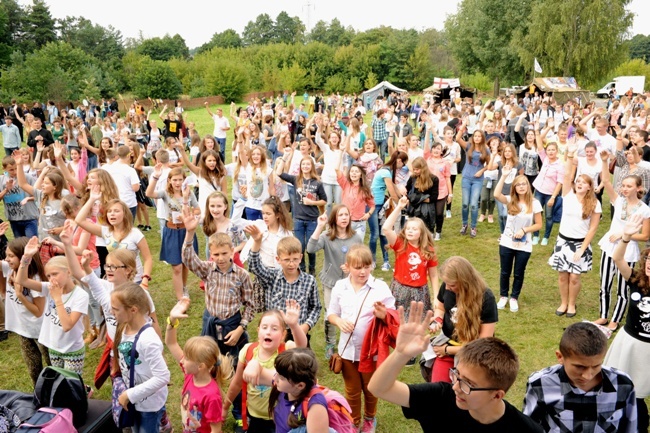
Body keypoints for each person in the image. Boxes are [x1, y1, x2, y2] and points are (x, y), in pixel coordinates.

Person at [368, 302, 543, 433]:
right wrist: (400, 354)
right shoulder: (441, 398)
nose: (456, 387)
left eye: (468, 384)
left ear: (497, 395)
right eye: (456, 375)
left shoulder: (526, 430)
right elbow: (378, 388)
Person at [328, 244, 395, 431]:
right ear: (347, 267)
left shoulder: (379, 287)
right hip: (347, 350)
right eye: (358, 267)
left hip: (371, 351)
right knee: (352, 390)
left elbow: (393, 315)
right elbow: (331, 313)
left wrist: (383, 314)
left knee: (371, 387)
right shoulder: (340, 287)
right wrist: (339, 322)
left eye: (367, 266)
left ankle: (369, 418)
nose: (363, 271)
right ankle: (354, 420)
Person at [523, 321, 637, 433]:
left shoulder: (623, 384)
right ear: (560, 357)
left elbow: (630, 427)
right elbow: (529, 426)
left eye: (597, 365)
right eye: (580, 367)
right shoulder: (540, 384)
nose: (588, 376)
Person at [223, 303, 308, 433]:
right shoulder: (248, 351)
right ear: (258, 332)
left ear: (283, 335)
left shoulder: (286, 350)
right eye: (264, 327)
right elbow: (237, 382)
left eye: (274, 329)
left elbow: (302, 347)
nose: (268, 331)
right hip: (254, 415)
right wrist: (225, 407)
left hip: (279, 417)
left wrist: (294, 326)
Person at [593, 151, 650, 332]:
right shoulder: (618, 201)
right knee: (604, 283)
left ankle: (615, 319)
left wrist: (623, 234)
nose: (625, 188)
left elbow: (645, 236)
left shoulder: (644, 209)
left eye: (629, 186)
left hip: (628, 251)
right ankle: (603, 315)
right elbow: (607, 181)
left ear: (638, 189)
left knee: (623, 288)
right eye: (624, 185)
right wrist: (604, 161)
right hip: (609, 246)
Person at [603, 214, 650, 431]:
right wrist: (626, 237)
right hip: (629, 344)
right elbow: (618, 259)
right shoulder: (636, 281)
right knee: (624, 391)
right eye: (648, 260)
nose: (649, 264)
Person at [16, 237, 89, 375]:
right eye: (48, 276)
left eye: (55, 274)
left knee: (71, 385)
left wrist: (57, 299)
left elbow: (67, 326)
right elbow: (22, 280)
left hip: (72, 349)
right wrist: (26, 257)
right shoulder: (49, 287)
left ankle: (84, 391)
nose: (51, 279)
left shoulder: (80, 295)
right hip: (54, 346)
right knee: (59, 382)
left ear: (68, 272)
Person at [165, 297, 233, 433]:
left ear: (201, 366)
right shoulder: (190, 374)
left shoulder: (212, 396)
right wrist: (172, 321)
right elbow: (171, 343)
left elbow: (216, 430)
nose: (182, 361)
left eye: (187, 358)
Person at [548, 148, 601, 317]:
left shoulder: (594, 203)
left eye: (583, 182)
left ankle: (572, 304)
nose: (579, 183)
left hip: (580, 244)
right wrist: (570, 156)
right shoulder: (567, 195)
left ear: (589, 187)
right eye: (578, 181)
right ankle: (563, 303)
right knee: (563, 276)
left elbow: (593, 228)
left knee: (574, 278)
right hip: (563, 242)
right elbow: (567, 176)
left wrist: (582, 249)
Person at [246, 225, 322, 343]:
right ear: (278, 259)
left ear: (301, 258)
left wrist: (306, 326)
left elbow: (316, 307)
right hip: (275, 333)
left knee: (299, 360)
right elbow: (254, 266)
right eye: (286, 260)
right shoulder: (271, 277)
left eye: (295, 259)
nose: (291, 264)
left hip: (298, 332)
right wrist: (257, 242)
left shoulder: (309, 281)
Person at [111, 282, 170, 433]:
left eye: (115, 309)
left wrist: (129, 394)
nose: (112, 312)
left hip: (149, 406)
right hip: (134, 400)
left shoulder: (149, 340)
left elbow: (163, 377)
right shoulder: (123, 327)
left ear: (133, 310)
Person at [307, 205, 363, 360]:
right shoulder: (326, 236)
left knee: (352, 312)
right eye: (340, 215)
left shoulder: (356, 237)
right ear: (334, 219)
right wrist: (319, 226)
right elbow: (310, 249)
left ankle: (352, 342)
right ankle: (330, 345)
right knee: (331, 314)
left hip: (351, 283)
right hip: (331, 282)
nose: (344, 218)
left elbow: (363, 258)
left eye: (346, 214)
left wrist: (352, 269)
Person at [0, 235, 50, 385]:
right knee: (33, 368)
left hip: (41, 331)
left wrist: (20, 295)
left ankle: (62, 394)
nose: (7, 259)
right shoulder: (10, 269)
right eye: (6, 255)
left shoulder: (34, 280)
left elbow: (38, 311)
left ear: (23, 257)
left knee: (52, 366)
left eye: (11, 256)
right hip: (23, 329)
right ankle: (40, 394)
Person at [146, 165, 199, 300]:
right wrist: (155, 176)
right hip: (171, 231)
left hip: (185, 231)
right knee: (176, 266)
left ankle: (184, 286)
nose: (177, 183)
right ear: (169, 180)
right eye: (174, 180)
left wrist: (189, 210)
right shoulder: (165, 193)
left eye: (180, 180)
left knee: (185, 263)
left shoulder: (188, 193)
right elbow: (149, 193)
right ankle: (180, 297)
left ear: (184, 180)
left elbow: (197, 209)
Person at [382, 195, 438, 321]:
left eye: (414, 229)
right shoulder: (400, 245)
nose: (410, 231)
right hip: (400, 289)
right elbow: (386, 228)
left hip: (420, 292)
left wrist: (436, 296)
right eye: (408, 228)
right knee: (397, 322)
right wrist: (399, 207)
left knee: (417, 324)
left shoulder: (428, 250)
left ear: (421, 233)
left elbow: (433, 275)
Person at [494, 168, 543, 312]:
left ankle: (514, 297)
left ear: (528, 186)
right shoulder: (510, 201)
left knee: (518, 273)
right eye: (518, 184)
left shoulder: (535, 203)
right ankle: (503, 296)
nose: (521, 187)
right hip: (507, 242)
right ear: (514, 187)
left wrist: (524, 230)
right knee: (505, 271)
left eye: (524, 184)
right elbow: (497, 194)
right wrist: (503, 176)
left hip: (524, 244)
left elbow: (539, 224)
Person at [268, 348, 331, 433]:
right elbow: (260, 374)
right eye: (277, 373)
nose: (275, 378)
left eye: (281, 378)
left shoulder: (316, 407)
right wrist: (253, 365)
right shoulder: (285, 386)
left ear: (300, 385)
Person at [456, 124, 490, 238]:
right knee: (465, 204)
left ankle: (473, 226)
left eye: (479, 136)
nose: (477, 138)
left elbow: (489, 165)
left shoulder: (486, 150)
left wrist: (482, 170)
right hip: (466, 177)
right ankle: (465, 224)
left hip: (478, 180)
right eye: (475, 136)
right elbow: (457, 138)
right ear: (473, 137)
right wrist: (464, 126)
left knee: (474, 204)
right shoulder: (468, 146)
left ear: (482, 138)